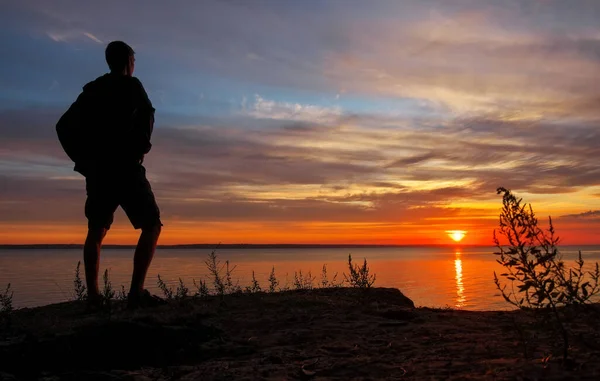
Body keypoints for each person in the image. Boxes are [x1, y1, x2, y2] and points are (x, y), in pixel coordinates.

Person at [56, 41, 162, 309]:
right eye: (133, 60)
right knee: (151, 225)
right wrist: (141, 149)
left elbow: (63, 126)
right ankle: (136, 293)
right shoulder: (132, 85)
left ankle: (93, 296)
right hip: (125, 167)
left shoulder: (92, 91)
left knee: (96, 229)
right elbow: (148, 116)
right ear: (128, 60)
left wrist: (83, 160)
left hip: (99, 170)